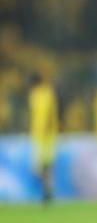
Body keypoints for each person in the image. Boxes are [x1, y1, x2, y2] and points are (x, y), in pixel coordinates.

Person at [28, 73, 58, 203]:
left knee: (41, 166)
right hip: (41, 135)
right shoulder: (41, 94)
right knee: (44, 167)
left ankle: (48, 191)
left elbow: (48, 114)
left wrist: (46, 129)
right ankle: (48, 190)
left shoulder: (43, 94)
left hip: (45, 136)